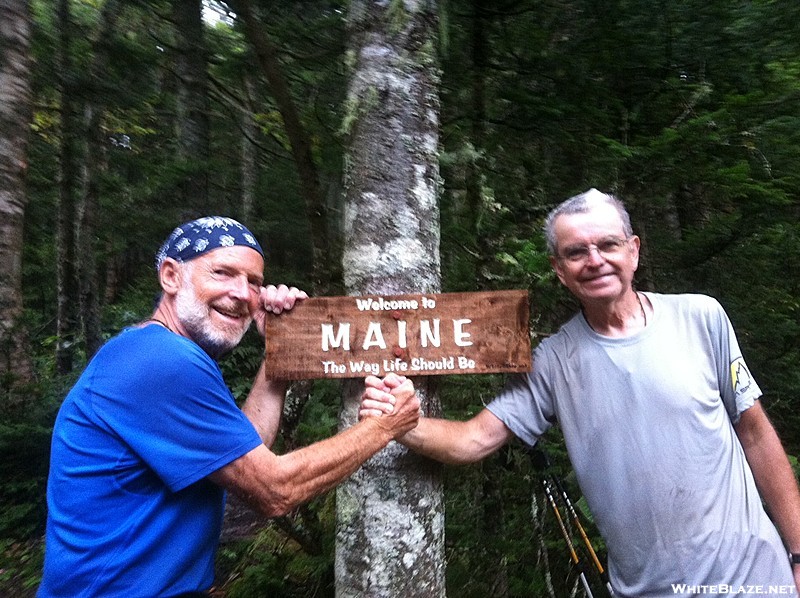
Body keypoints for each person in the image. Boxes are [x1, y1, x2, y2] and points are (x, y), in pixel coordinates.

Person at [362, 190, 800, 597]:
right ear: (559, 270)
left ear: (633, 250)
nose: (594, 260)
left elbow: (756, 434)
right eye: (576, 252)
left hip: (758, 579)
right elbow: (473, 440)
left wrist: (798, 551)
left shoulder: (702, 317)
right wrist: (400, 422)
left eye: (608, 245)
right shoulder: (552, 362)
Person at [39, 216, 420, 598]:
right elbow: (274, 489)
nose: (243, 293)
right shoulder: (161, 361)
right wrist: (385, 426)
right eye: (223, 273)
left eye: (254, 281)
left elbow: (244, 447)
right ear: (171, 276)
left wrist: (281, 349)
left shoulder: (150, 351)